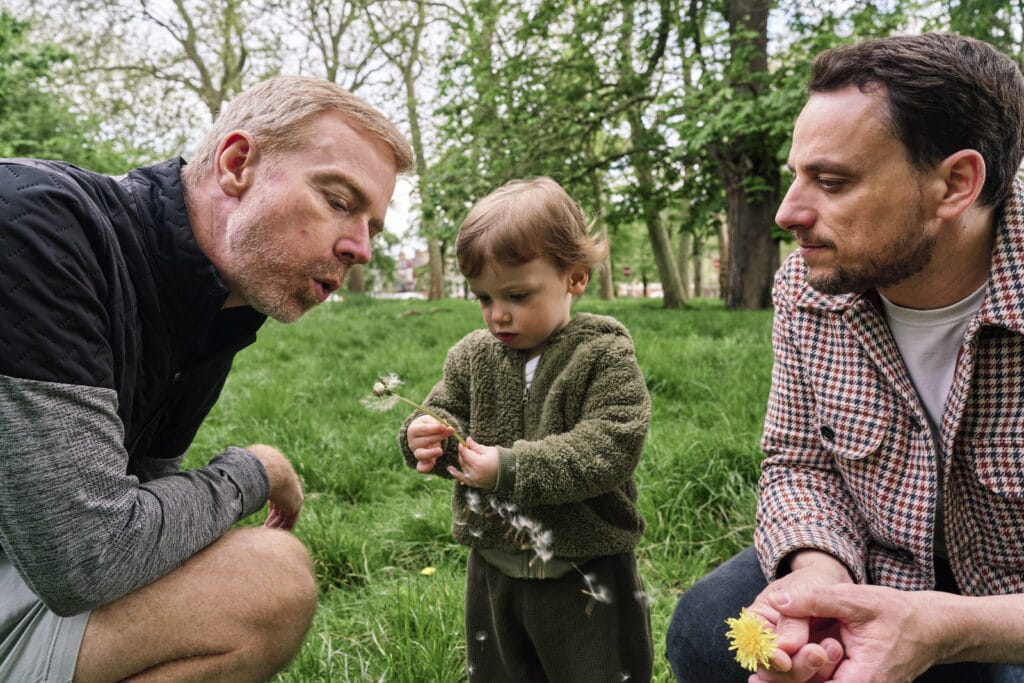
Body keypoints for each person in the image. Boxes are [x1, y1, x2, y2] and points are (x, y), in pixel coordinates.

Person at [0, 75, 414, 681]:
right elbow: (88, 555)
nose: (361, 249)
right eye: (338, 200)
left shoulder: (219, 313)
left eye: (372, 228)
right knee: (271, 576)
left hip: (24, 559)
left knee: (261, 584)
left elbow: (137, 519)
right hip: (39, 561)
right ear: (237, 163)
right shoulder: (39, 226)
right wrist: (256, 469)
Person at [665, 32, 1024, 683]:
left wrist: (948, 627)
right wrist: (818, 581)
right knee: (704, 627)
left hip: (1009, 598)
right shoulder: (806, 284)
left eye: (831, 181)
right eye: (796, 175)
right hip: (874, 551)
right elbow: (798, 459)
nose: (786, 213)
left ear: (956, 183)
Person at [398, 177, 653, 682]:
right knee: (498, 672)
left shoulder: (602, 354)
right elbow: (446, 414)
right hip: (494, 565)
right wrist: (423, 435)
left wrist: (511, 468)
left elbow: (611, 444)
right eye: (483, 298)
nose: (498, 315)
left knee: (599, 671)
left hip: (585, 568)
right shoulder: (472, 356)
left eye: (516, 294)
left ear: (574, 278)